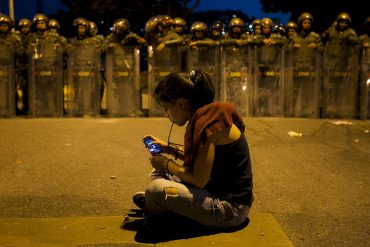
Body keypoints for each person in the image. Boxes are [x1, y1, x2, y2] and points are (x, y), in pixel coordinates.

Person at [133, 70, 254, 229]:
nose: (166, 115)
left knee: (156, 189)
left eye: (166, 108)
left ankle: (168, 210)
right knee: (159, 174)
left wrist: (167, 163)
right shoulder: (207, 116)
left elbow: (199, 179)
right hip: (214, 189)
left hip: (230, 208)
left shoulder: (209, 124)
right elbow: (202, 161)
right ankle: (167, 206)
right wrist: (168, 149)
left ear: (181, 104)